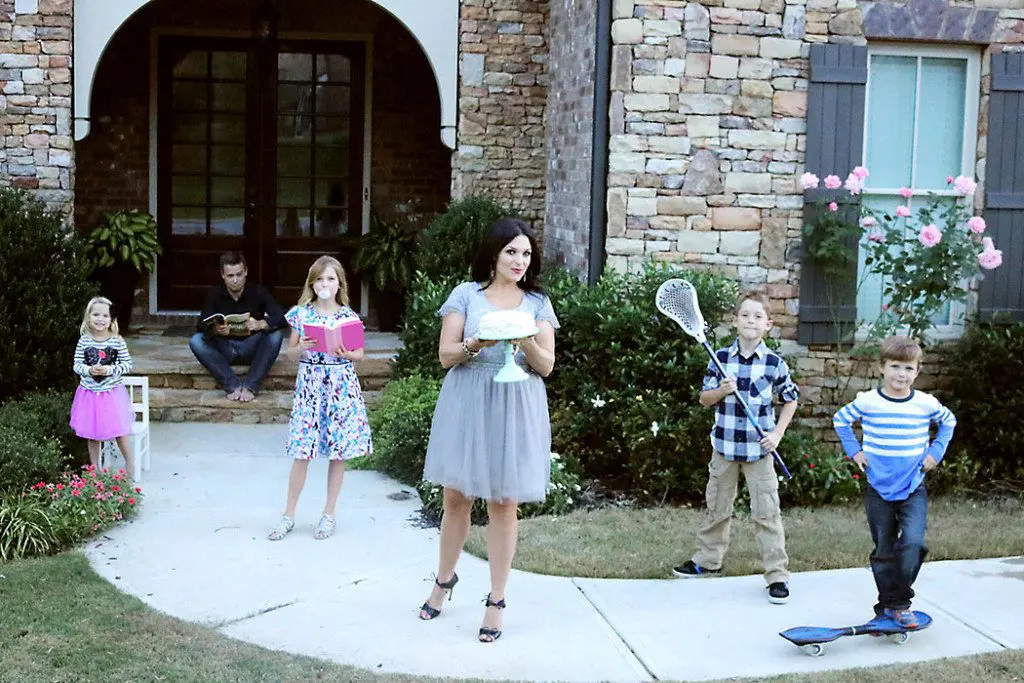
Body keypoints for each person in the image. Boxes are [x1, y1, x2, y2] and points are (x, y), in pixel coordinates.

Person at [416, 218, 559, 643]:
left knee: (503, 501)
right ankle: (443, 581)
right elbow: (445, 355)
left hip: (516, 403)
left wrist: (524, 340)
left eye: (526, 254)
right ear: (494, 254)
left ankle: (496, 600)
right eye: (511, 251)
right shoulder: (466, 295)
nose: (519, 261)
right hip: (469, 398)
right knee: (456, 497)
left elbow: (547, 365)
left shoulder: (536, 301)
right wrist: (477, 344)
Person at [672, 291, 800, 605]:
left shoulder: (774, 363)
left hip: (759, 451)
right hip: (725, 447)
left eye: (758, 317)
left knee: (766, 513)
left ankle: (776, 574)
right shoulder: (720, 358)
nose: (751, 321)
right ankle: (708, 560)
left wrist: (777, 434)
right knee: (717, 506)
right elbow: (704, 399)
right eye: (745, 315)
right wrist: (721, 390)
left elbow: (791, 399)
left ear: (768, 324)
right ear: (735, 321)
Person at [833, 335, 956, 628]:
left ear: (918, 371)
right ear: (882, 367)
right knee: (884, 550)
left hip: (913, 487)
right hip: (879, 488)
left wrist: (935, 451)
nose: (901, 374)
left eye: (908, 368)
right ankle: (891, 606)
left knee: (912, 543)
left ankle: (897, 602)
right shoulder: (869, 401)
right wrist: (856, 451)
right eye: (895, 366)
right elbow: (841, 420)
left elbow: (949, 422)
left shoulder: (925, 404)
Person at [267, 255, 372, 541]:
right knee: (302, 451)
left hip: (340, 386)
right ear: (312, 284)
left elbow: (359, 354)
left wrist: (346, 354)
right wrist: (302, 345)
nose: (325, 284)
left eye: (330, 279)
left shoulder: (348, 317)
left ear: (339, 284)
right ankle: (288, 514)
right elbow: (289, 353)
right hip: (310, 386)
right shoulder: (301, 314)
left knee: (338, 453)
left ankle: (328, 513)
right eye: (319, 279)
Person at [189, 252, 287, 402]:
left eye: (239, 274)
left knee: (275, 335)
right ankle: (232, 385)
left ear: (246, 272)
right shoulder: (214, 293)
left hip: (251, 347)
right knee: (196, 341)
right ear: (222, 275)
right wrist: (216, 329)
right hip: (225, 348)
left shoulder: (258, 291)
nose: (235, 280)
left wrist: (262, 323)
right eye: (230, 276)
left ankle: (250, 386)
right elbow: (201, 325)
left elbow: (282, 316)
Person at [70, 296, 136, 480]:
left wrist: (108, 369)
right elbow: (77, 365)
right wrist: (89, 370)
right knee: (92, 434)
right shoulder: (84, 341)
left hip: (111, 395)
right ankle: (95, 469)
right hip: (89, 395)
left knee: (119, 432)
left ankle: (130, 463)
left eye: (105, 315)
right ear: (88, 317)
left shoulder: (117, 341)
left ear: (111, 319)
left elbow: (127, 365)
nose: (100, 319)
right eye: (96, 314)